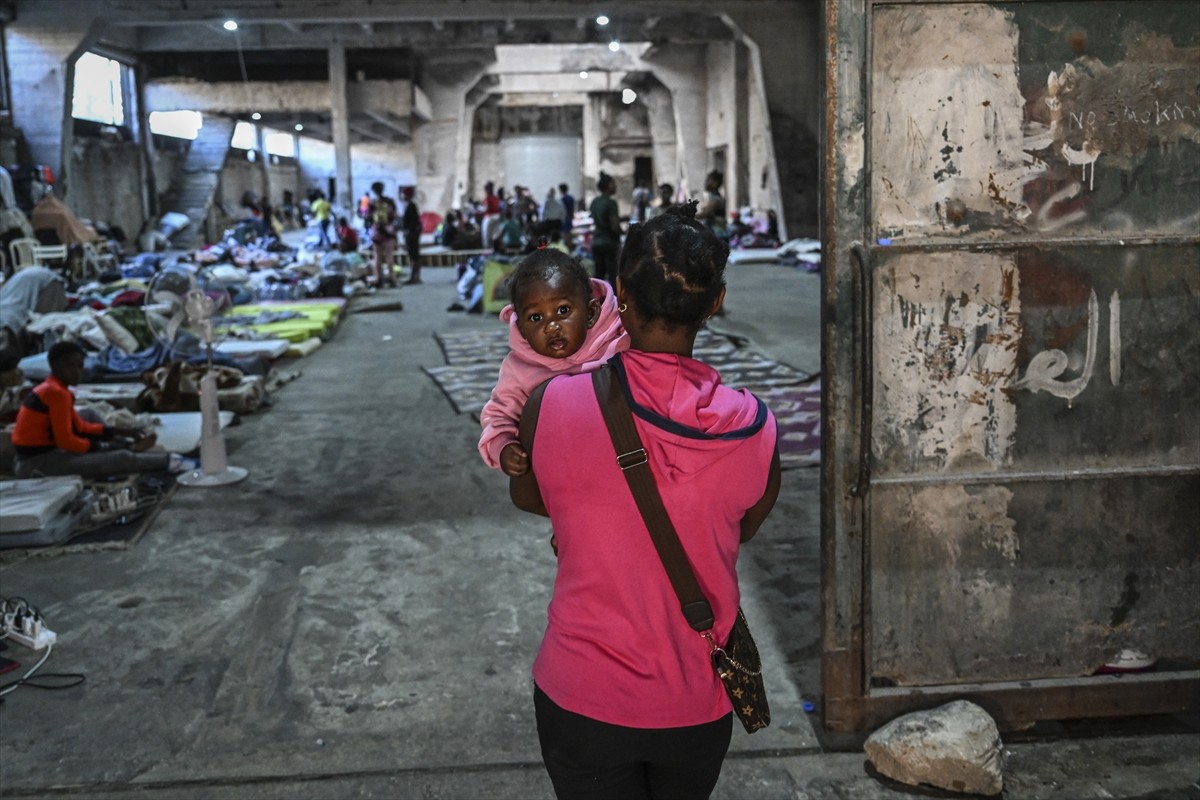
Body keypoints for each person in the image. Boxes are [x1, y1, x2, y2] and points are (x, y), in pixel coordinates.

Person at [509, 202, 782, 800]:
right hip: (693, 703)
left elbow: (530, 495)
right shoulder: (755, 429)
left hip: (580, 695)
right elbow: (741, 527)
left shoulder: (551, 404)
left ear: (619, 294)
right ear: (715, 302)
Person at [478, 245, 628, 476]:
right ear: (521, 327)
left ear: (590, 313)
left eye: (563, 310)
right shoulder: (519, 369)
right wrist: (503, 446)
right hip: (565, 476)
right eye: (536, 317)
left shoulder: (619, 341)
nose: (551, 326)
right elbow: (498, 416)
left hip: (625, 466)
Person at [11, 341, 196, 479]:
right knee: (119, 458)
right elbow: (66, 440)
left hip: (49, 452)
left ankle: (128, 446)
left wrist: (115, 432)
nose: (77, 372)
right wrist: (103, 446)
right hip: (37, 464)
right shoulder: (56, 393)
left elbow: (78, 426)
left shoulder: (55, 388)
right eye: (71, 366)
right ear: (55, 366)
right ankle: (170, 461)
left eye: (80, 367)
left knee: (89, 414)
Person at [588, 172, 622, 286]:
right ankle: (614, 303)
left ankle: (600, 303)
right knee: (614, 277)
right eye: (613, 184)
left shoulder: (595, 202)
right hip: (609, 244)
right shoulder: (611, 203)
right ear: (608, 186)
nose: (615, 186)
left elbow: (599, 220)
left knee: (599, 278)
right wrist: (624, 231)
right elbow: (614, 227)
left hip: (596, 242)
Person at [367, 182, 398, 288]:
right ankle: (392, 279)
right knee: (389, 258)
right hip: (388, 232)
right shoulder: (390, 201)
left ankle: (378, 279)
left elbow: (367, 217)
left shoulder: (372, 203)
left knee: (377, 258)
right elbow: (394, 215)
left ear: (374, 191)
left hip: (376, 233)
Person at [695, 170, 728, 240]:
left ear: (715, 183)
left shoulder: (716, 199)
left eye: (709, 180)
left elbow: (704, 214)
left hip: (718, 236)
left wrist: (686, 215)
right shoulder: (710, 198)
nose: (706, 182)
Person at [401, 186, 423, 284]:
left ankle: (414, 277)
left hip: (412, 234)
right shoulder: (409, 205)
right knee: (414, 255)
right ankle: (415, 276)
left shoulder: (411, 206)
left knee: (414, 255)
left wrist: (408, 232)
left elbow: (413, 221)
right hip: (412, 233)